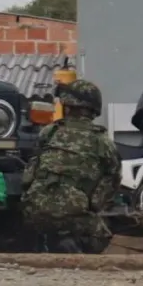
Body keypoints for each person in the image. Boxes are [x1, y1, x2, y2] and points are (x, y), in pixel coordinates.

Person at [21, 79, 122, 254]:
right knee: (100, 236)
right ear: (93, 109)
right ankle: (70, 247)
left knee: (45, 222)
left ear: (66, 106)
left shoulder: (49, 132)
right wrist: (93, 204)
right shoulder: (101, 141)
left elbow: (32, 167)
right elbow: (113, 178)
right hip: (73, 215)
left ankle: (46, 244)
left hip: (34, 211)